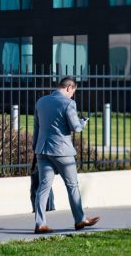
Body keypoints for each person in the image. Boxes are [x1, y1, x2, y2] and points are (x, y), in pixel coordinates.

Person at [32, 77, 100, 234]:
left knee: (43, 187)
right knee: (72, 186)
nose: (72, 96)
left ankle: (40, 223)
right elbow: (75, 128)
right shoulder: (69, 103)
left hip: (42, 150)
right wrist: (82, 122)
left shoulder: (41, 101)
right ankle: (79, 219)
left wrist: (35, 147)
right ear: (69, 88)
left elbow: (36, 126)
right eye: (73, 92)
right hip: (62, 152)